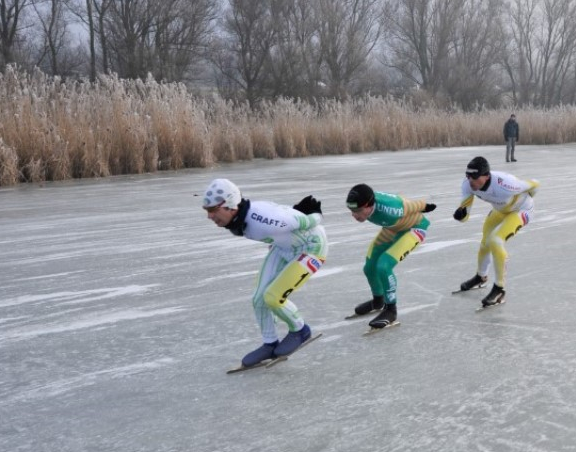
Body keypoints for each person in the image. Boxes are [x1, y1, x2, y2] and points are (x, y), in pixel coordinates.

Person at [202, 178, 327, 368]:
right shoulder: (240, 217)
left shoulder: (262, 218)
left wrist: (315, 214)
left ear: (228, 205)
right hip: (283, 248)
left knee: (273, 297)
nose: (210, 216)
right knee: (259, 299)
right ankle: (270, 343)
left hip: (311, 248)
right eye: (207, 210)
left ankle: (300, 329)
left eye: (212, 210)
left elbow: (306, 220)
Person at [453, 155, 539, 307]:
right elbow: (465, 215)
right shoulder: (467, 185)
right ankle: (481, 276)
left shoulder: (507, 183)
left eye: (474, 177)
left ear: (486, 176)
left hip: (521, 210)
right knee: (485, 242)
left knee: (496, 240)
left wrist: (529, 198)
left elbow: (535, 184)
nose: (470, 180)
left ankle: (500, 289)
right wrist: (461, 215)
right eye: (468, 176)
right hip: (500, 210)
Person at [346, 184, 435, 329]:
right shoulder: (367, 203)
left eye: (357, 211)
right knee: (369, 267)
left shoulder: (391, 209)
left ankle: (391, 310)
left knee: (383, 266)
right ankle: (378, 301)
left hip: (413, 228)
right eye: (351, 210)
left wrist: (425, 205)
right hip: (392, 229)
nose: (354, 215)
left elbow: (410, 205)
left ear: (369, 206)